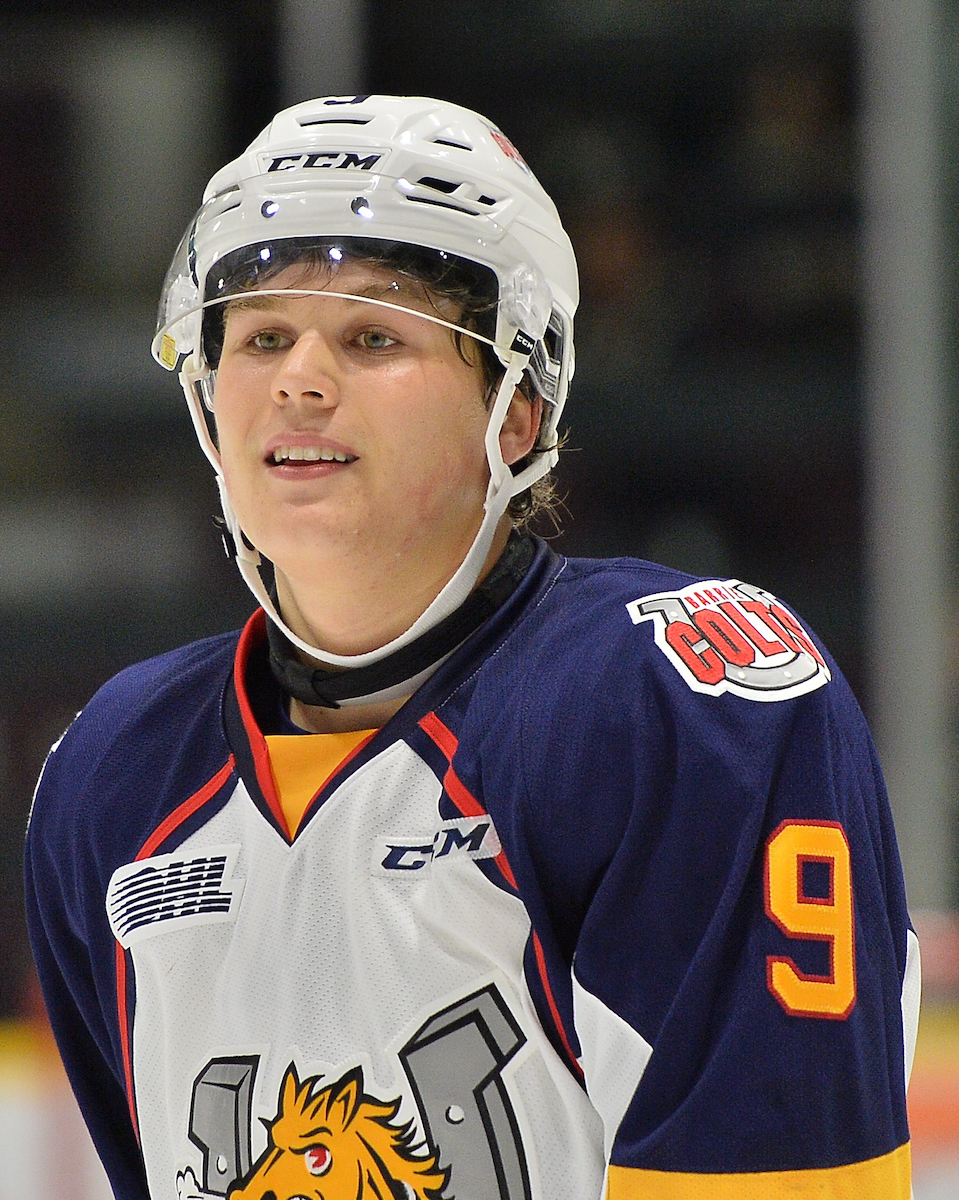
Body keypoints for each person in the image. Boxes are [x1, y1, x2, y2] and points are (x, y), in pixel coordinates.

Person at [25, 95, 918, 1200]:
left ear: (515, 411)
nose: (298, 379)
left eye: (372, 337)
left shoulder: (673, 701)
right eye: (259, 336)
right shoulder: (115, 769)